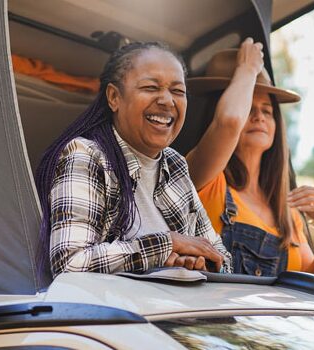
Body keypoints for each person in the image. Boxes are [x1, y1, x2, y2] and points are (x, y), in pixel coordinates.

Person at [35, 42, 231, 281]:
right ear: (114, 97)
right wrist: (166, 245)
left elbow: (221, 255)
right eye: (151, 87)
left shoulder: (176, 165)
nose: (167, 101)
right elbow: (70, 264)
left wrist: (200, 263)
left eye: (178, 91)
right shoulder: (86, 154)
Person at [185, 38, 314, 277]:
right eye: (248, 107)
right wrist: (247, 69)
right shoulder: (207, 180)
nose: (259, 117)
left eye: (267, 110)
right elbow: (228, 123)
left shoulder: (287, 212)